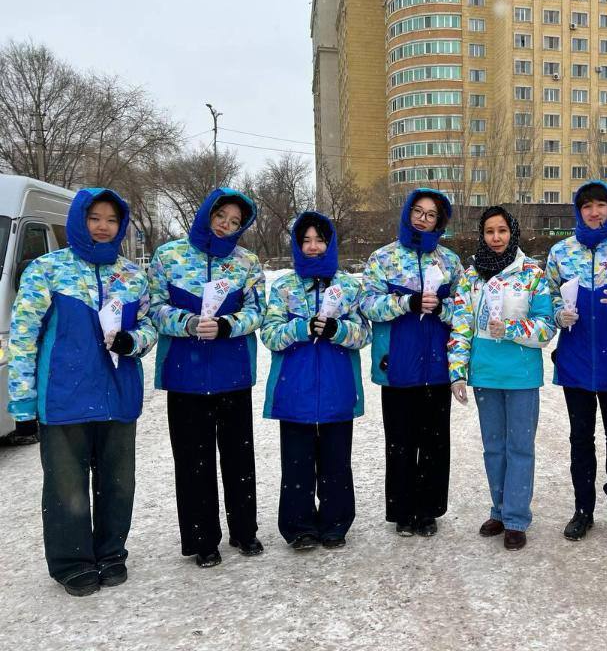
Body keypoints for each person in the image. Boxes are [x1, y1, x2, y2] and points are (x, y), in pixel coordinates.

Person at [7, 188, 157, 596]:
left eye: (111, 220)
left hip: (118, 395)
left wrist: (132, 341)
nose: (103, 227)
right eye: (94, 218)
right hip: (64, 398)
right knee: (67, 487)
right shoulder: (47, 269)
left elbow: (148, 327)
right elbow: (23, 338)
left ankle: (111, 553)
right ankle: (72, 561)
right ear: (78, 220)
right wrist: (22, 401)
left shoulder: (132, 275)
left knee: (118, 484)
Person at [149, 188, 266, 568]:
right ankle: (202, 539)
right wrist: (186, 322)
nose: (225, 226)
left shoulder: (247, 262)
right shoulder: (168, 256)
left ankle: (244, 530)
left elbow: (258, 310)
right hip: (185, 375)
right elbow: (154, 308)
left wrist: (228, 325)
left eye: (234, 222)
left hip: (233, 373)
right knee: (193, 461)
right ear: (206, 214)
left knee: (239, 457)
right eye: (221, 217)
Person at [448, 206, 556, 550]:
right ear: (482, 235)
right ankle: (499, 509)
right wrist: (457, 372)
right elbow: (461, 325)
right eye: (489, 231)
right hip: (486, 375)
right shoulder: (471, 277)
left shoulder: (531, 274)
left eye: (502, 231)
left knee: (519, 448)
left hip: (522, 375)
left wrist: (509, 329)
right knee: (493, 448)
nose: (496, 238)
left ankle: (516, 518)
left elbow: (546, 328)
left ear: (513, 233)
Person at [261, 212, 370, 550]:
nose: (312, 247)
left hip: (338, 386)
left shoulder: (349, 286)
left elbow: (364, 334)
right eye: (306, 240)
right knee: (297, 464)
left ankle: (336, 523)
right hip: (295, 388)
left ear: (330, 243)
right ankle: (299, 526)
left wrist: (339, 330)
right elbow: (269, 334)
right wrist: (301, 327)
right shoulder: (284, 287)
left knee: (337, 461)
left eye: (319, 240)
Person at [545, 180, 607, 542]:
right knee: (580, 439)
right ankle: (582, 510)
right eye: (587, 206)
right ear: (578, 211)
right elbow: (547, 297)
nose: (594, 212)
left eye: (601, 205)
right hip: (575, 361)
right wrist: (559, 314)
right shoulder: (560, 252)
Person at [359, 188, 463, 537]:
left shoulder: (449, 261)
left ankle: (428, 510)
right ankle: (403, 511)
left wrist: (442, 308)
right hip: (398, 366)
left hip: (437, 366)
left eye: (431, 214)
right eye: (418, 211)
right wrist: (406, 303)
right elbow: (368, 304)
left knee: (435, 442)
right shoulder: (383, 258)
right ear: (407, 213)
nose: (423, 218)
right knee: (400, 442)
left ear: (439, 221)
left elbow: (464, 310)